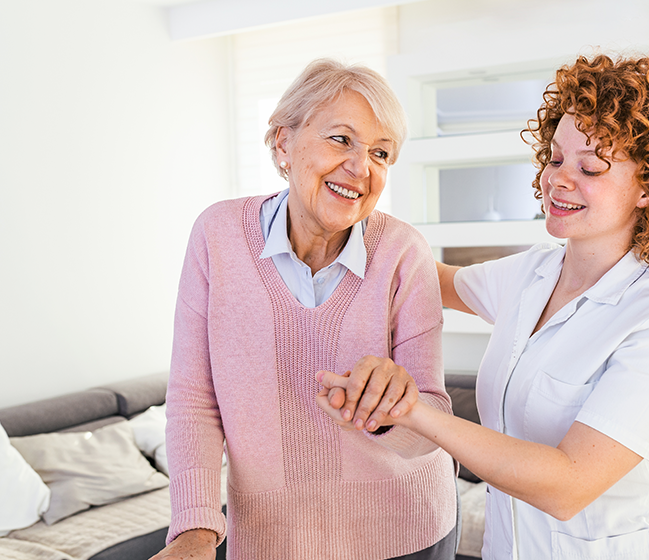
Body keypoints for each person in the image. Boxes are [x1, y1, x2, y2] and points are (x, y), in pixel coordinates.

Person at [318, 53, 649, 559]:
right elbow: (428, 278)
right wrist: (349, 203)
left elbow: (568, 485)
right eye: (555, 158)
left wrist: (412, 410)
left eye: (589, 167)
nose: (559, 179)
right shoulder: (533, 273)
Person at [153, 59, 458, 560]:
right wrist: (195, 529)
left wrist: (392, 410)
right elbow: (193, 400)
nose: (361, 168)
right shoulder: (217, 236)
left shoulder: (404, 251)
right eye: (341, 139)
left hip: (408, 530)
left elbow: (434, 421)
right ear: (283, 144)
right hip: (274, 539)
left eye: (380, 153)